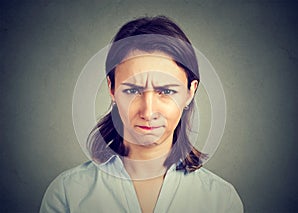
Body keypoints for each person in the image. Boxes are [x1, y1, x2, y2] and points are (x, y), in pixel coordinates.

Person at [40, 16, 243, 213]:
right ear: (112, 89)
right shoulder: (67, 195)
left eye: (166, 91)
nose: (148, 112)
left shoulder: (221, 201)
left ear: (190, 92)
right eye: (132, 90)